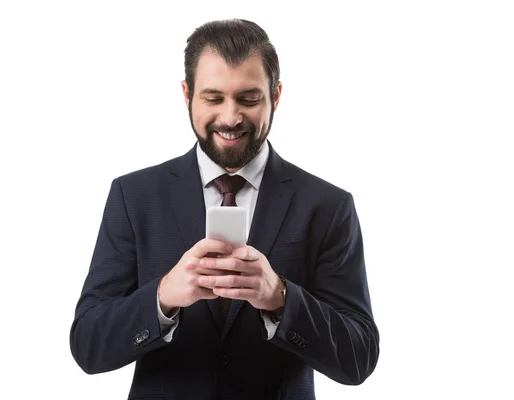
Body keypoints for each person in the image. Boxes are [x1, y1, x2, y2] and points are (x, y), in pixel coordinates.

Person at [70, 18, 380, 399]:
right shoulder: (134, 196)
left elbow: (358, 357)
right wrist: (163, 296)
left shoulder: (328, 206)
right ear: (187, 95)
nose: (230, 118)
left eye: (248, 99)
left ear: (276, 96)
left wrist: (281, 298)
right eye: (213, 98)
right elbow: (88, 346)